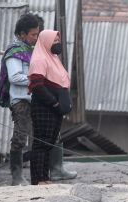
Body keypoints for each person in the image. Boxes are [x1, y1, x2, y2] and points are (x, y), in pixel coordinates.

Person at [0, 14, 40, 186]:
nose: (36, 38)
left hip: (33, 99)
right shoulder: (15, 51)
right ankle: (16, 177)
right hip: (21, 101)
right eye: (33, 35)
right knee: (21, 137)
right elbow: (15, 77)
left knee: (39, 137)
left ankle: (39, 175)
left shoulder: (30, 50)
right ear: (22, 34)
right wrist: (36, 81)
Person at [28, 30, 71, 185]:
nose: (57, 43)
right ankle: (38, 179)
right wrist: (54, 102)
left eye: (58, 40)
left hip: (54, 110)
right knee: (41, 142)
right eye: (54, 40)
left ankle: (45, 177)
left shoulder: (53, 58)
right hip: (44, 108)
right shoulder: (39, 59)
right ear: (46, 41)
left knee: (49, 143)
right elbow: (37, 86)